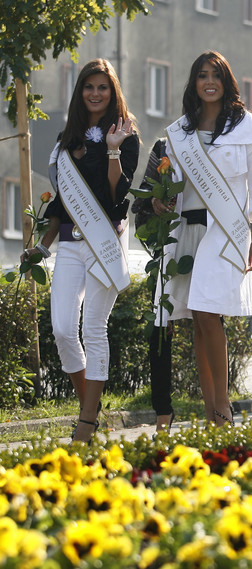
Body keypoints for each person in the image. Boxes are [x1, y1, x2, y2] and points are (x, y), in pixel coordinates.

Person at [152, 51, 252, 426]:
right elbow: (170, 185)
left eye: (216, 75)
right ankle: (211, 410)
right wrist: (160, 198)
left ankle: (222, 406)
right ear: (194, 82)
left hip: (226, 233)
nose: (209, 82)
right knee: (197, 317)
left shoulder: (248, 127)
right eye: (202, 75)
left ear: (226, 81)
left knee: (207, 311)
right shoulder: (179, 132)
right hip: (187, 229)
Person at [24, 59, 139, 443]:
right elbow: (60, 204)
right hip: (71, 245)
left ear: (113, 91)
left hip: (105, 241)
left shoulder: (126, 134)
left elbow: (115, 195)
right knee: (61, 329)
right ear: (80, 91)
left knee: (93, 328)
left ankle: (86, 422)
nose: (95, 93)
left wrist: (111, 150)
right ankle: (89, 407)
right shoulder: (66, 137)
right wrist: (42, 246)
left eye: (102, 87)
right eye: (89, 86)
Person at [131, 138, 177, 433]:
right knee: (160, 326)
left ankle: (216, 406)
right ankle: (163, 409)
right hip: (166, 245)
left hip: (202, 242)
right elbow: (139, 200)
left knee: (209, 322)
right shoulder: (164, 145)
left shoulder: (216, 144)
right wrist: (155, 201)